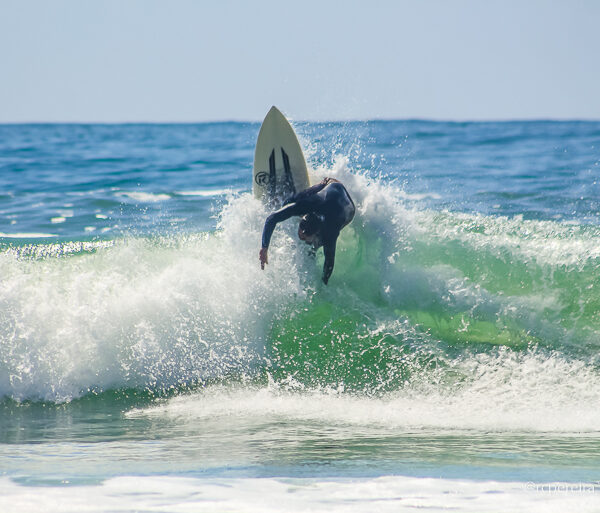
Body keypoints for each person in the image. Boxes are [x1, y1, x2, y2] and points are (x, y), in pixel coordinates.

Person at [259, 177, 355, 284]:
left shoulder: (330, 233)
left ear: (316, 233)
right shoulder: (309, 204)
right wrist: (264, 248)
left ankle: (313, 248)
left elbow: (329, 262)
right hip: (334, 186)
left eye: (305, 235)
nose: (301, 234)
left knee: (313, 248)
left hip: (347, 210)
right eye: (302, 226)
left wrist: (323, 283)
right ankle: (322, 184)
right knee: (288, 202)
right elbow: (271, 218)